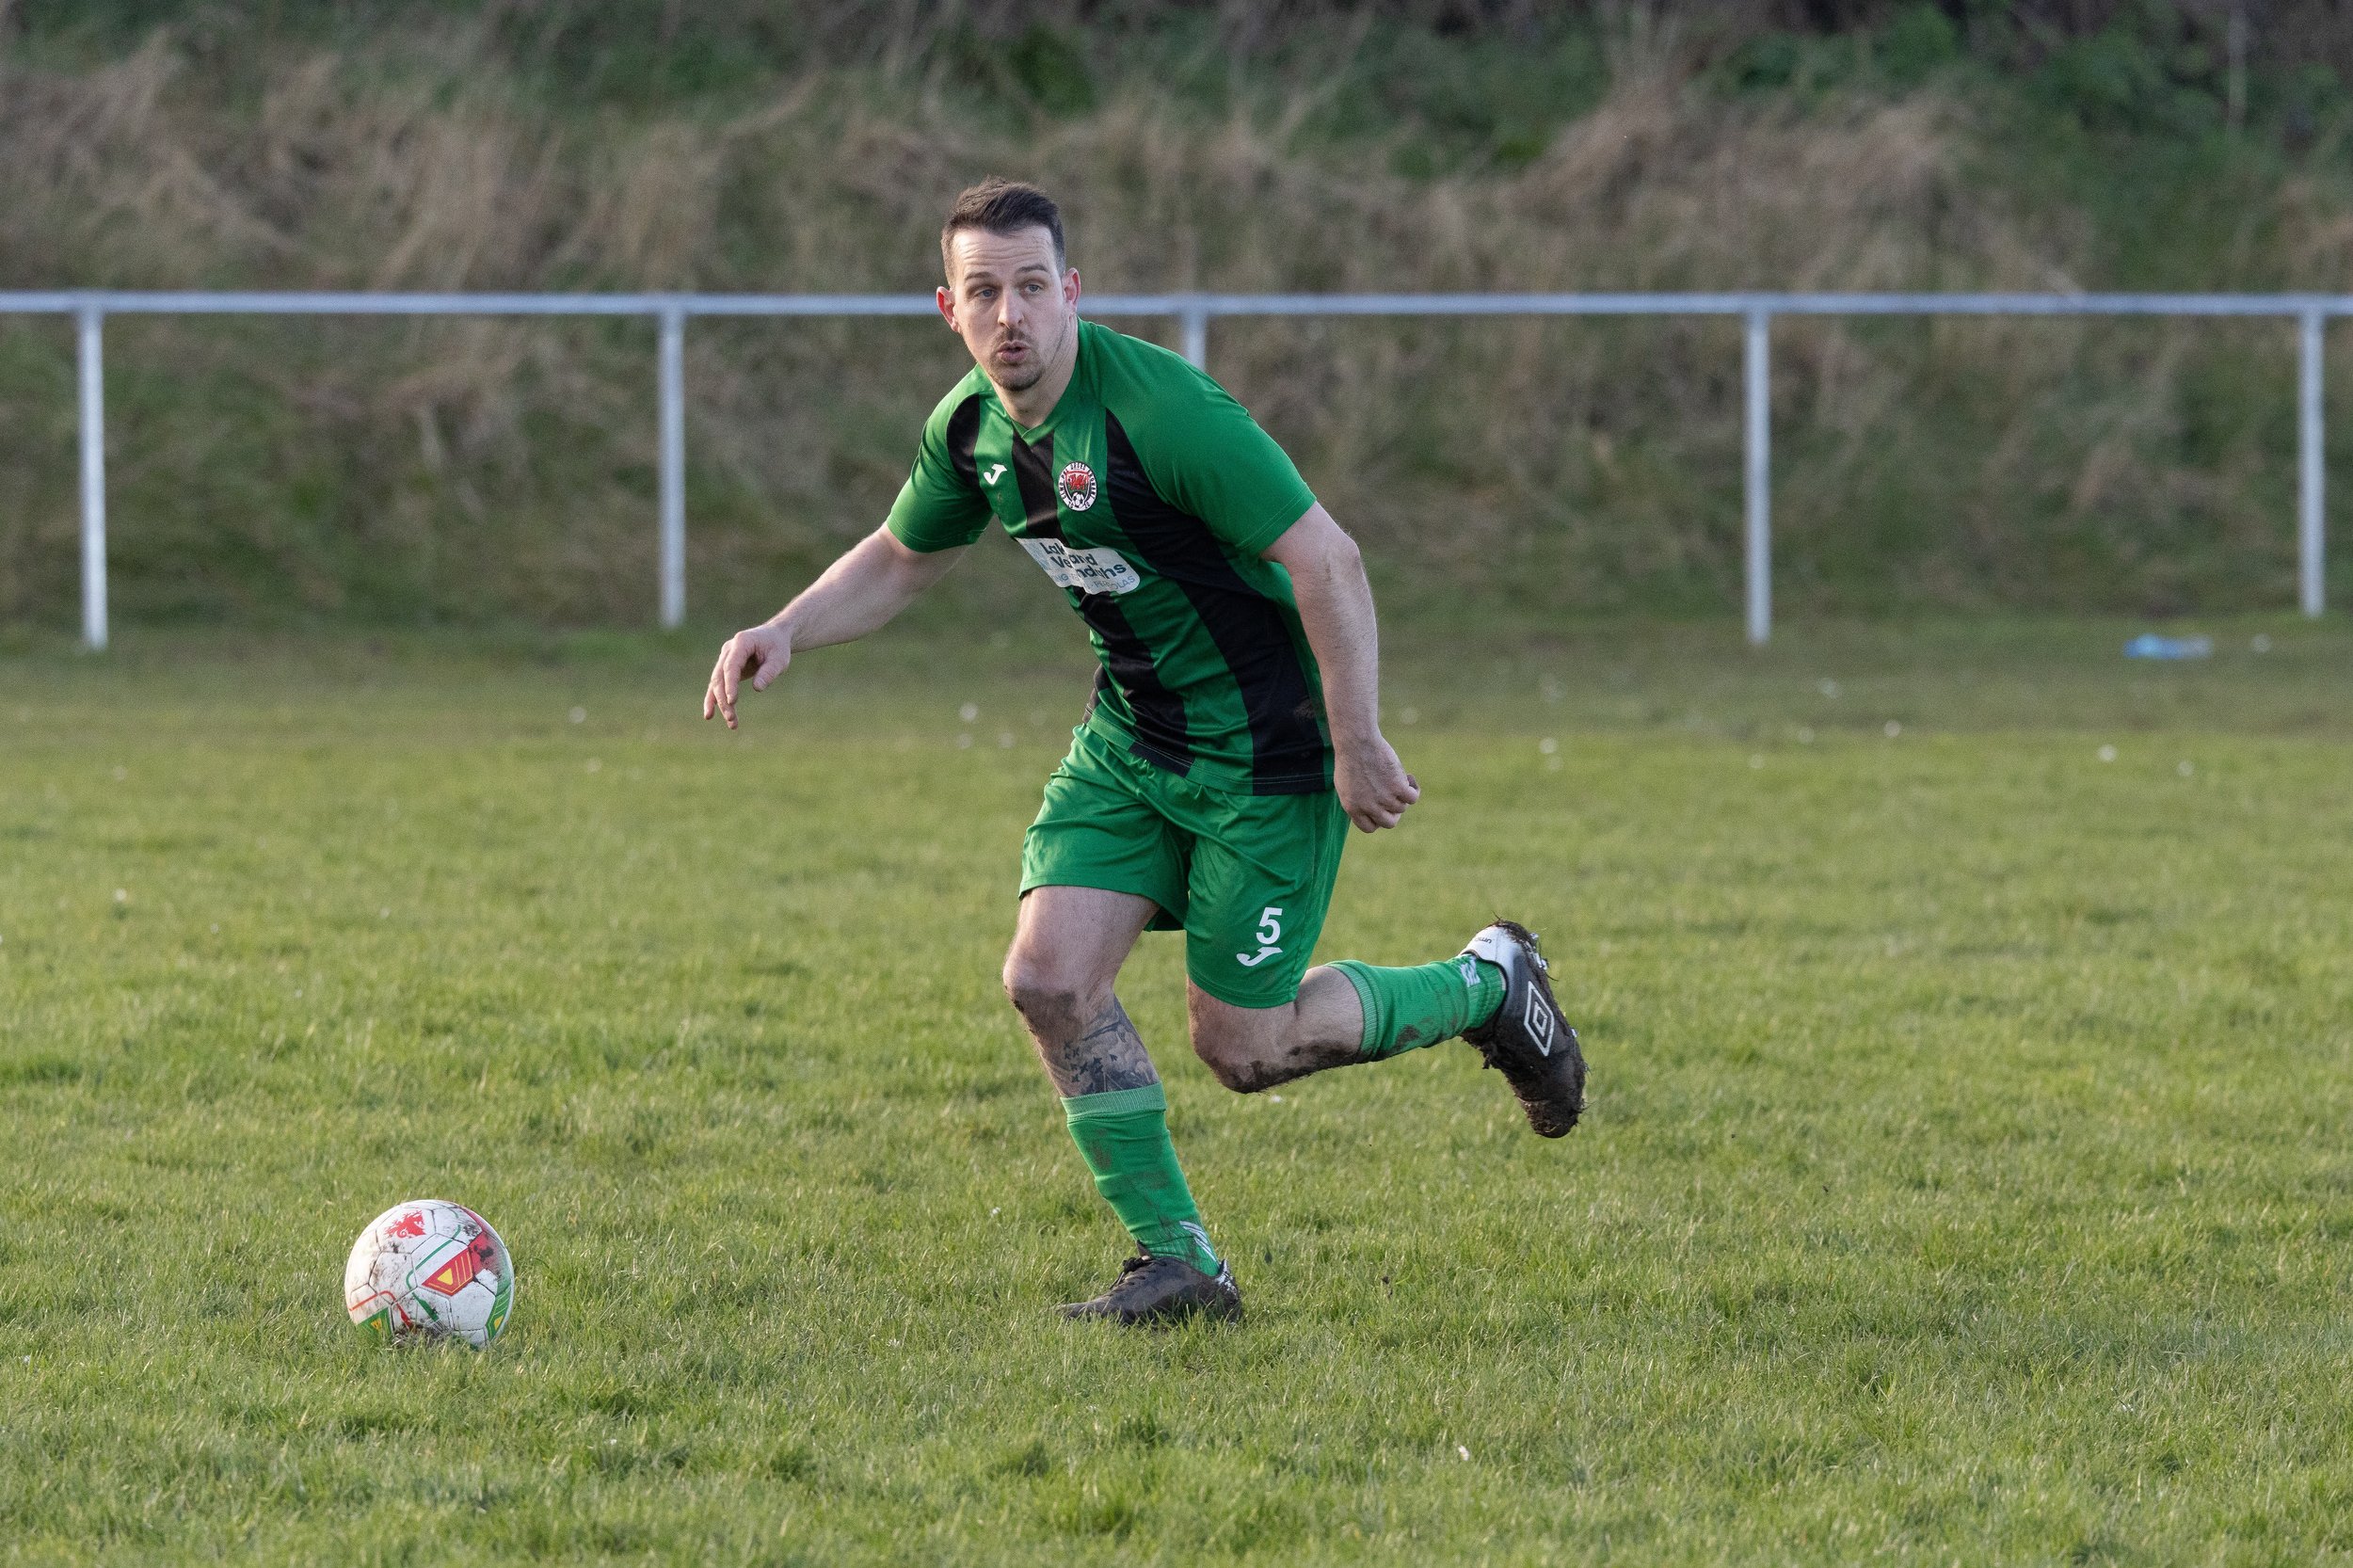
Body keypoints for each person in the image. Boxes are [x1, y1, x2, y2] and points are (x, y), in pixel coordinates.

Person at [704, 178, 1585, 1326]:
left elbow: (1330, 562)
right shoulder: (970, 428)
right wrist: (786, 627)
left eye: (1031, 286)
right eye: (984, 292)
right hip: (1129, 740)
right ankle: (1179, 1264)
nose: (1010, 314)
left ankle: (1488, 985)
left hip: (1266, 754)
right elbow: (903, 554)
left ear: (1070, 292)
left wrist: (1356, 739)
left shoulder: (1163, 415)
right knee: (1047, 980)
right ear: (948, 309)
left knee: (1245, 1048)